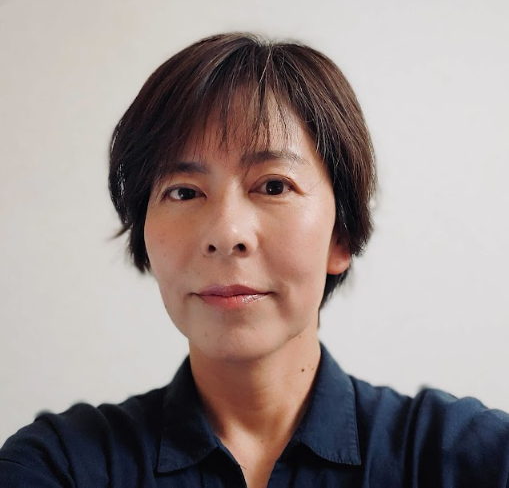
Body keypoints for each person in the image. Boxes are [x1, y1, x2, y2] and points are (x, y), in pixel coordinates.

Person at [1, 32, 508, 488]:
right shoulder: (62, 464)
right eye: (184, 191)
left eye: (273, 186)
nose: (226, 234)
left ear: (342, 235)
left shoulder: (459, 457)